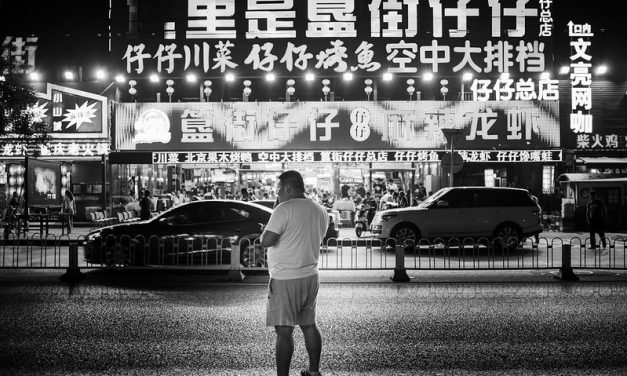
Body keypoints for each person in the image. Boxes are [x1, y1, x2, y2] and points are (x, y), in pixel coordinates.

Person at [260, 170, 329, 376]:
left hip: (285, 278)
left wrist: (268, 224)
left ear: (288, 188)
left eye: (278, 188)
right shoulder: (320, 210)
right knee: (309, 325)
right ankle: (314, 371)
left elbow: (266, 241)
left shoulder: (283, 209)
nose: (277, 192)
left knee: (284, 330)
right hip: (310, 276)